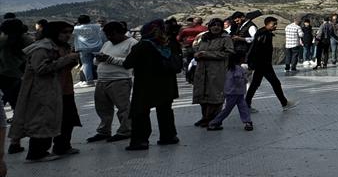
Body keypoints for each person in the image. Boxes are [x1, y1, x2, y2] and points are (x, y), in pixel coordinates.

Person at [10, 21, 82, 161]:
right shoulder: (42, 48)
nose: (68, 35)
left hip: (64, 89)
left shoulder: (62, 46)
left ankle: (62, 146)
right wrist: (66, 59)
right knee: (43, 121)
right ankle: (37, 152)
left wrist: (71, 60)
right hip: (46, 91)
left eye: (69, 32)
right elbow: (41, 69)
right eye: (64, 32)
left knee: (67, 120)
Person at [123, 19, 181, 150]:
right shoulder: (170, 44)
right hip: (167, 85)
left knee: (141, 112)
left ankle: (141, 141)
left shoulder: (142, 46)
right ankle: (168, 136)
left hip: (145, 84)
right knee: (165, 111)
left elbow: (127, 63)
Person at [87, 21, 135, 143]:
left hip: (120, 80)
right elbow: (97, 62)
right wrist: (98, 59)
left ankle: (126, 130)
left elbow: (129, 63)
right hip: (102, 79)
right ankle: (104, 131)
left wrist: (109, 59)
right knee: (102, 108)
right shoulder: (107, 44)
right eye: (107, 35)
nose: (110, 37)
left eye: (112, 34)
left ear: (121, 32)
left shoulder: (132, 44)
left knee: (123, 107)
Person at [192, 19, 235, 127]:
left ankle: (214, 119)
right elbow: (196, 48)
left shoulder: (226, 38)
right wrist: (197, 54)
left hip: (217, 71)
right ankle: (205, 117)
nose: (216, 27)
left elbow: (228, 53)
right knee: (202, 94)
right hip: (202, 70)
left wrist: (208, 54)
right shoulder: (204, 37)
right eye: (213, 25)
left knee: (215, 95)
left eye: (218, 25)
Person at [245, 17, 288, 111]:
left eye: (276, 24)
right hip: (263, 63)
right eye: (274, 24)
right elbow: (257, 49)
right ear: (267, 24)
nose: (276, 26)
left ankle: (246, 103)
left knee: (255, 84)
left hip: (261, 63)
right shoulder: (264, 34)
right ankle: (284, 103)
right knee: (275, 83)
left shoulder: (262, 32)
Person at [0, 18, 30, 154]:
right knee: (19, 111)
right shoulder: (25, 40)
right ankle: (15, 142)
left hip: (2, 78)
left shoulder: (2, 41)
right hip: (17, 78)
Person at [209, 53, 253, 132]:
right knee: (230, 109)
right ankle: (214, 122)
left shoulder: (230, 68)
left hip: (233, 93)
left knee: (241, 108)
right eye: (243, 58)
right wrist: (245, 79)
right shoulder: (238, 69)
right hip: (235, 93)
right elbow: (239, 80)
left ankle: (248, 121)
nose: (245, 59)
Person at [72, 14, 104, 86]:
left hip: (84, 48)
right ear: (89, 20)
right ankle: (103, 78)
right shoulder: (96, 26)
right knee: (100, 63)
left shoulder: (76, 28)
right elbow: (102, 26)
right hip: (97, 47)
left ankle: (89, 81)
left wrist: (75, 24)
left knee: (86, 64)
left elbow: (72, 32)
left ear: (79, 21)